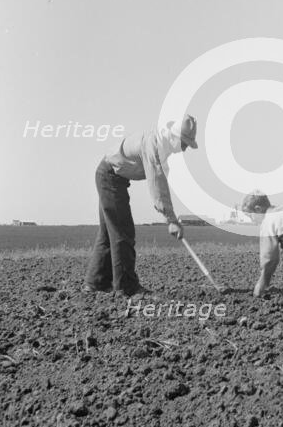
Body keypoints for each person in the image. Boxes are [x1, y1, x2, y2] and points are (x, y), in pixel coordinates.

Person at [84, 115, 198, 296]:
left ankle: (96, 282)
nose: (184, 148)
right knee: (123, 232)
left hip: (112, 177)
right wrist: (171, 219)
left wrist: (170, 215)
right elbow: (157, 185)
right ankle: (126, 287)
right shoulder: (154, 146)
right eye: (184, 143)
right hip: (110, 177)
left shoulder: (161, 148)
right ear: (174, 137)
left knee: (109, 232)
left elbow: (162, 181)